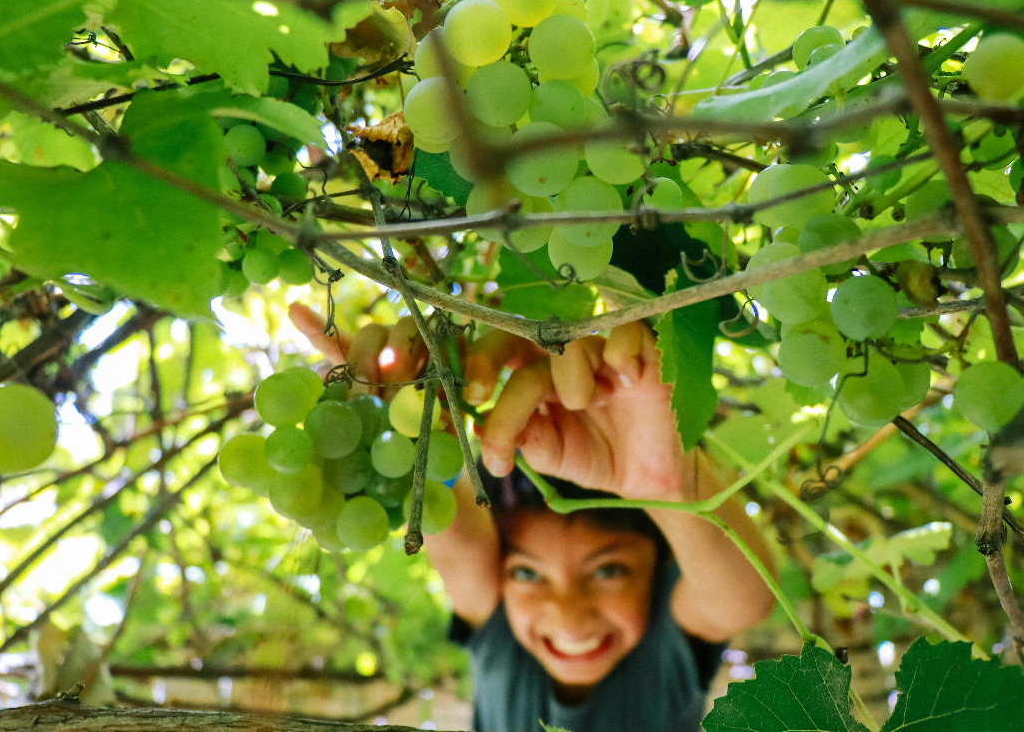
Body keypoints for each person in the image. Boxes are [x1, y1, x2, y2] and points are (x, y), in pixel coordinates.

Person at [290, 304, 778, 732]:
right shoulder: (498, 627)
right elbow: (454, 535)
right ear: (498, 575)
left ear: (661, 571)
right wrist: (405, 430)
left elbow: (743, 600)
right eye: (526, 572)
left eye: (610, 570)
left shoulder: (662, 645)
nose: (568, 615)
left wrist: (666, 486)